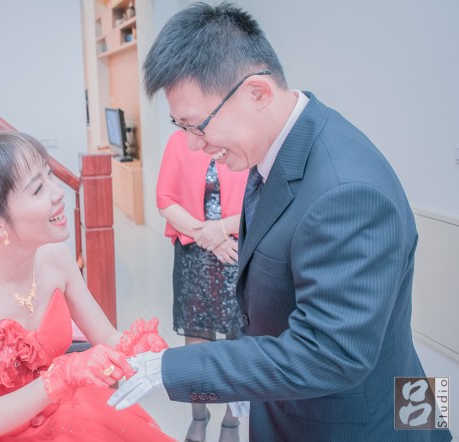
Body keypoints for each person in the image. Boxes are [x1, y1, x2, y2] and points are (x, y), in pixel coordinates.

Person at [108, 3, 452, 442]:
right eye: (182, 127)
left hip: (360, 422)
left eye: (198, 126)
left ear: (258, 93)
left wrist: (172, 369)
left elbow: (330, 353)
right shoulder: (279, 149)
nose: (194, 145)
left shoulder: (347, 191)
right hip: (312, 399)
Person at [0, 130, 173, 442]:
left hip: (66, 416)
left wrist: (134, 346)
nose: (58, 193)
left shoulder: (56, 258)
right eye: (37, 189)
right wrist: (62, 376)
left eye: (49, 175)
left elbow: (107, 337)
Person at [156, 130, 249, 442]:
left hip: (239, 250)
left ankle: (231, 421)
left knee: (239, 339)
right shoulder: (178, 141)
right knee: (196, 340)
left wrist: (222, 230)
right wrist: (210, 238)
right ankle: (199, 414)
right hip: (194, 254)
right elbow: (165, 201)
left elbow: (261, 201)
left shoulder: (241, 137)